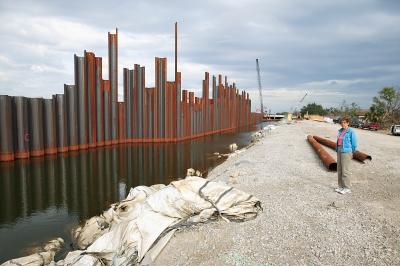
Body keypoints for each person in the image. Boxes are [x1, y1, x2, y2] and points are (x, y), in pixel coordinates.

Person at [335, 117, 358, 194]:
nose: (343, 124)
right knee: (340, 170)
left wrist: (352, 152)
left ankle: (347, 187)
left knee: (345, 170)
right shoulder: (340, 131)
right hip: (339, 151)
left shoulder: (351, 131)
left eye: (344, 122)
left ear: (348, 123)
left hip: (346, 152)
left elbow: (354, 143)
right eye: (341, 122)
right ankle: (341, 186)